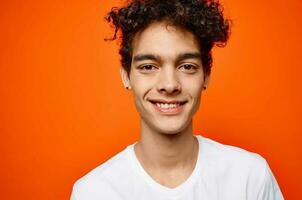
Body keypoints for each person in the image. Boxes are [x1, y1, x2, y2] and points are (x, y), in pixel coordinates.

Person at [71, 0, 284, 199]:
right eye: (148, 67)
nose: (170, 84)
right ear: (126, 76)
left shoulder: (250, 178)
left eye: (187, 66)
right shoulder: (93, 192)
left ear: (206, 75)